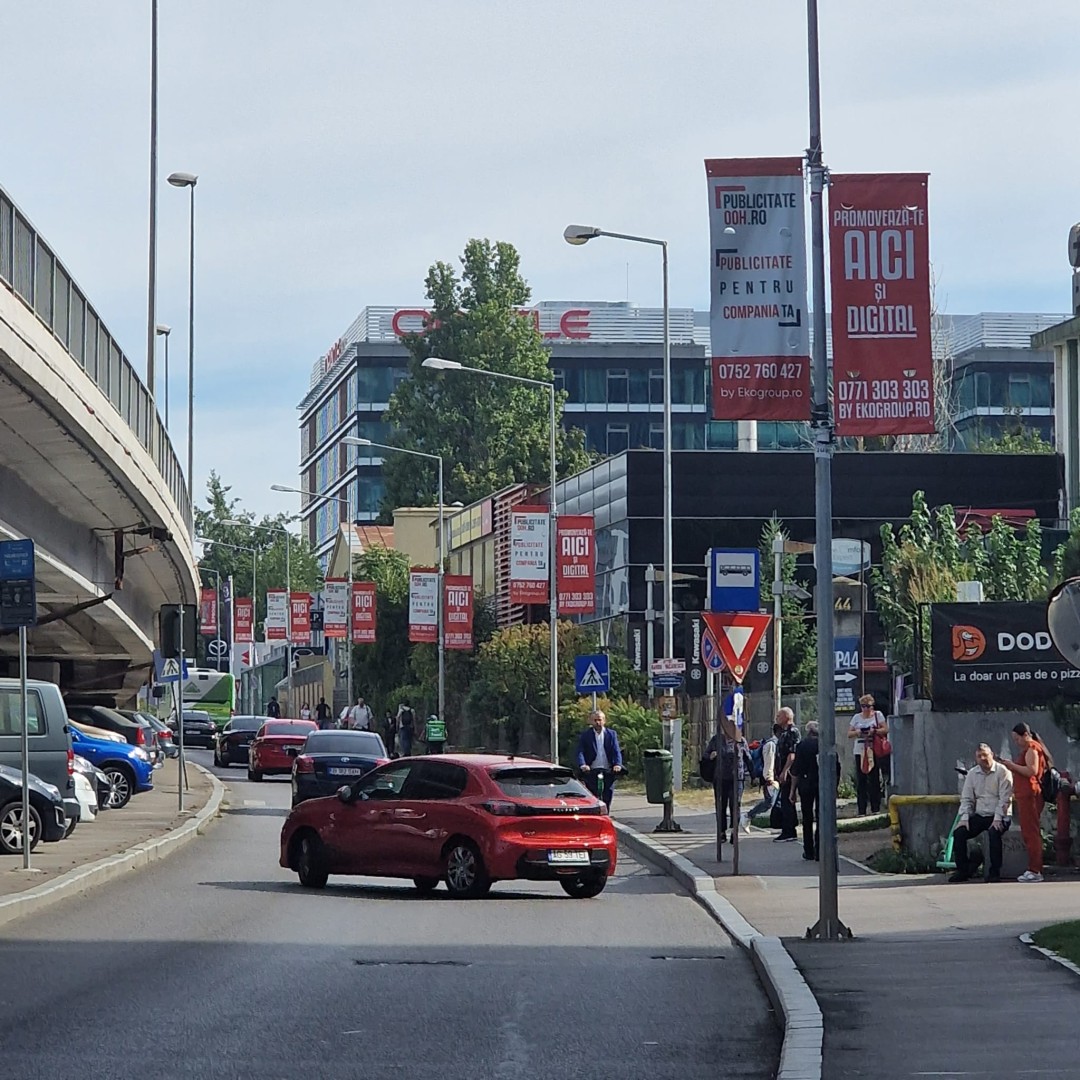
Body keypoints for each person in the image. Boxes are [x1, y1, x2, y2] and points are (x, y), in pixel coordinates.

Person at [949, 743, 1013, 883]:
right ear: (976, 758)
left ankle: (994, 872)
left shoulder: (1003, 772)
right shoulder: (972, 773)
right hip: (980, 814)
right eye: (979, 756)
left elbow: (1004, 799)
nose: (983, 758)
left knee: (994, 833)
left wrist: (997, 819)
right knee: (959, 833)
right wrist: (964, 818)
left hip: (999, 814)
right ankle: (963, 871)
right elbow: (966, 799)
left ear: (992, 754)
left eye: (985, 755)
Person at [1001, 722, 1052, 883]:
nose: (1016, 743)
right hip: (1026, 794)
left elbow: (1032, 771)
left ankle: (1035, 870)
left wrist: (1011, 766)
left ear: (1025, 735)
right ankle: (1034, 868)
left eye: (1017, 739)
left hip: (1030, 794)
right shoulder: (1030, 748)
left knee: (1031, 833)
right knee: (1030, 832)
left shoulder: (1032, 749)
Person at [705, 719, 752, 842]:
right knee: (721, 806)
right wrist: (711, 756)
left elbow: (748, 758)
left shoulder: (741, 740)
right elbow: (706, 755)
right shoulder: (716, 740)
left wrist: (753, 775)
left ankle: (734, 831)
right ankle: (721, 832)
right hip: (720, 778)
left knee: (735, 805)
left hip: (737, 779)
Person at [575, 709, 623, 809]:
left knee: (608, 793)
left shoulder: (611, 734)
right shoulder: (586, 735)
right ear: (591, 721)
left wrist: (617, 764)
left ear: (604, 721)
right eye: (595, 720)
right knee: (592, 793)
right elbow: (580, 751)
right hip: (592, 770)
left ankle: (606, 813)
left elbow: (616, 751)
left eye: (600, 720)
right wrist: (583, 765)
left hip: (608, 769)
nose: (598, 722)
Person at [848, 694, 887, 815]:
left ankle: (875, 808)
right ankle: (861, 809)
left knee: (874, 778)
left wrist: (874, 731)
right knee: (861, 779)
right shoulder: (856, 718)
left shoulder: (878, 715)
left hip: (872, 748)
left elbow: (885, 729)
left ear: (872, 706)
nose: (865, 709)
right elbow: (849, 733)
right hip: (860, 749)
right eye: (863, 706)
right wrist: (858, 732)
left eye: (868, 706)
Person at [792, 721, 820, 861]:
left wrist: (792, 791)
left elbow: (796, 769)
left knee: (807, 818)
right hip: (821, 785)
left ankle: (808, 850)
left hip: (805, 784)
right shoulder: (825, 744)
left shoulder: (802, 746)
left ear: (808, 732)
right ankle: (820, 849)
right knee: (822, 817)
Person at [745, 724, 782, 825]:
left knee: (777, 802)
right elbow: (769, 762)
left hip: (776, 778)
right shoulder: (771, 744)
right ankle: (748, 816)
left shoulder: (777, 743)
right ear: (778, 732)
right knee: (769, 802)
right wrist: (769, 779)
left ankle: (778, 824)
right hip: (770, 779)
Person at [774, 707, 800, 843]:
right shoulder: (783, 732)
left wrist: (785, 771)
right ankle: (787, 829)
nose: (776, 717)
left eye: (779, 715)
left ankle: (789, 831)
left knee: (787, 800)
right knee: (784, 801)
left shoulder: (792, 732)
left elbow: (792, 754)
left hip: (789, 772)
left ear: (786, 717)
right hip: (782, 770)